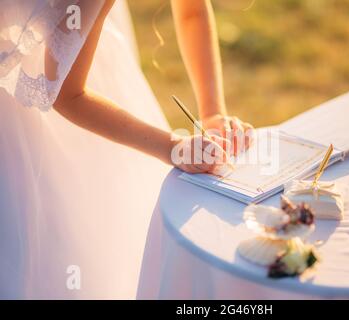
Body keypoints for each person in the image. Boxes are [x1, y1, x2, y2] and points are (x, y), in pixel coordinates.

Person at [0, 0, 252, 298]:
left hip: (81, 45)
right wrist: (172, 147)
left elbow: (191, 11)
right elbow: (66, 95)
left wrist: (212, 113)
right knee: (53, 248)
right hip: (23, 100)